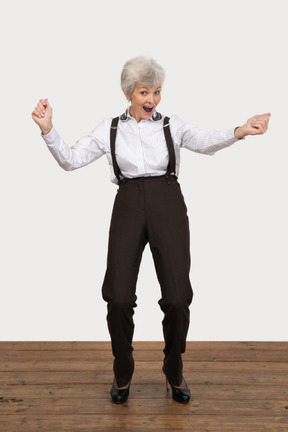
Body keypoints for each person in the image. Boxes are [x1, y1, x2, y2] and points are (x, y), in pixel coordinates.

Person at [31, 56, 270, 405]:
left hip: (167, 203)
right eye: (145, 92)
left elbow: (204, 140)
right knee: (118, 296)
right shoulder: (109, 128)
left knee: (177, 297)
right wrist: (48, 129)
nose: (152, 99)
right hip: (128, 204)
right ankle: (122, 368)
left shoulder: (171, 126)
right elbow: (70, 160)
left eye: (157, 92)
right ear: (129, 92)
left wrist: (240, 130)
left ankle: (174, 368)